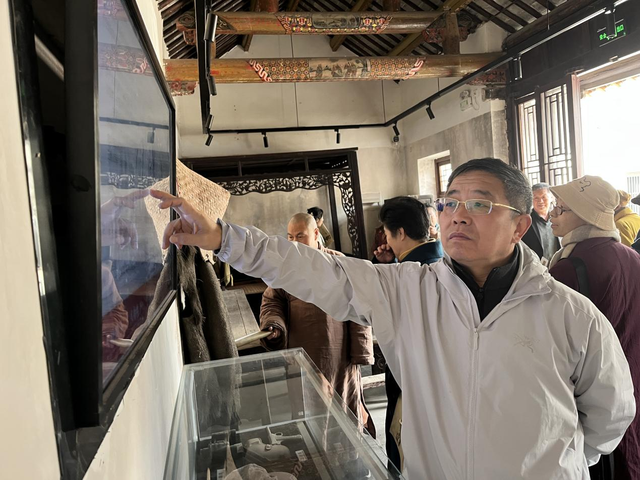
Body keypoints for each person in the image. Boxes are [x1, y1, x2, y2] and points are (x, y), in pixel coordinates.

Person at [151, 158, 635, 480]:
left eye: (480, 204)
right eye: (450, 202)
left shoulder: (571, 315)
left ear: (521, 225)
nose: (458, 215)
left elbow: (609, 416)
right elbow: (316, 269)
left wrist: (553, 463)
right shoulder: (408, 292)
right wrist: (224, 239)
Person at [547, 176, 640, 480]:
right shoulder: (631, 256)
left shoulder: (569, 267)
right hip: (632, 377)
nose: (552, 214)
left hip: (592, 392)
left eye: (562, 208)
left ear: (586, 214)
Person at [261, 213, 375, 432]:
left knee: (345, 408)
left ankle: (348, 452)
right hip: (303, 352)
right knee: (309, 412)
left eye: (300, 236)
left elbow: (361, 302)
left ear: (315, 234)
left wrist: (360, 350)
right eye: (290, 237)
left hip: (339, 352)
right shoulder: (286, 268)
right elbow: (272, 301)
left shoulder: (338, 263)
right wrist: (274, 325)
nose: (294, 242)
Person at [371, 196, 444, 471]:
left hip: (412, 377)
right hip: (440, 379)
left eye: (388, 234)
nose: (387, 242)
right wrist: (389, 264)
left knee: (407, 452)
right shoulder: (442, 262)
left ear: (400, 233)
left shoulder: (410, 274)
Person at [521, 182, 560, 264]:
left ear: (551, 198)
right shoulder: (525, 220)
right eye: (536, 198)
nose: (540, 201)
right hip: (534, 266)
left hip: (557, 264)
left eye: (544, 197)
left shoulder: (558, 217)